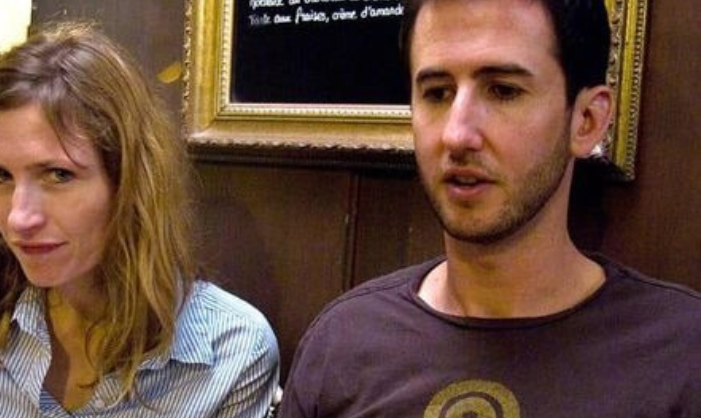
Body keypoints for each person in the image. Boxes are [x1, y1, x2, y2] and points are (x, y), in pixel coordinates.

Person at [279, 0, 701, 417]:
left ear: (586, 120)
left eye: (503, 91)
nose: (457, 134)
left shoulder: (681, 355)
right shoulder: (344, 344)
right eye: (437, 93)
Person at [0, 21, 279, 418]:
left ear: (129, 183)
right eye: (0, 175)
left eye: (58, 175)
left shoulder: (232, 353)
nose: (19, 218)